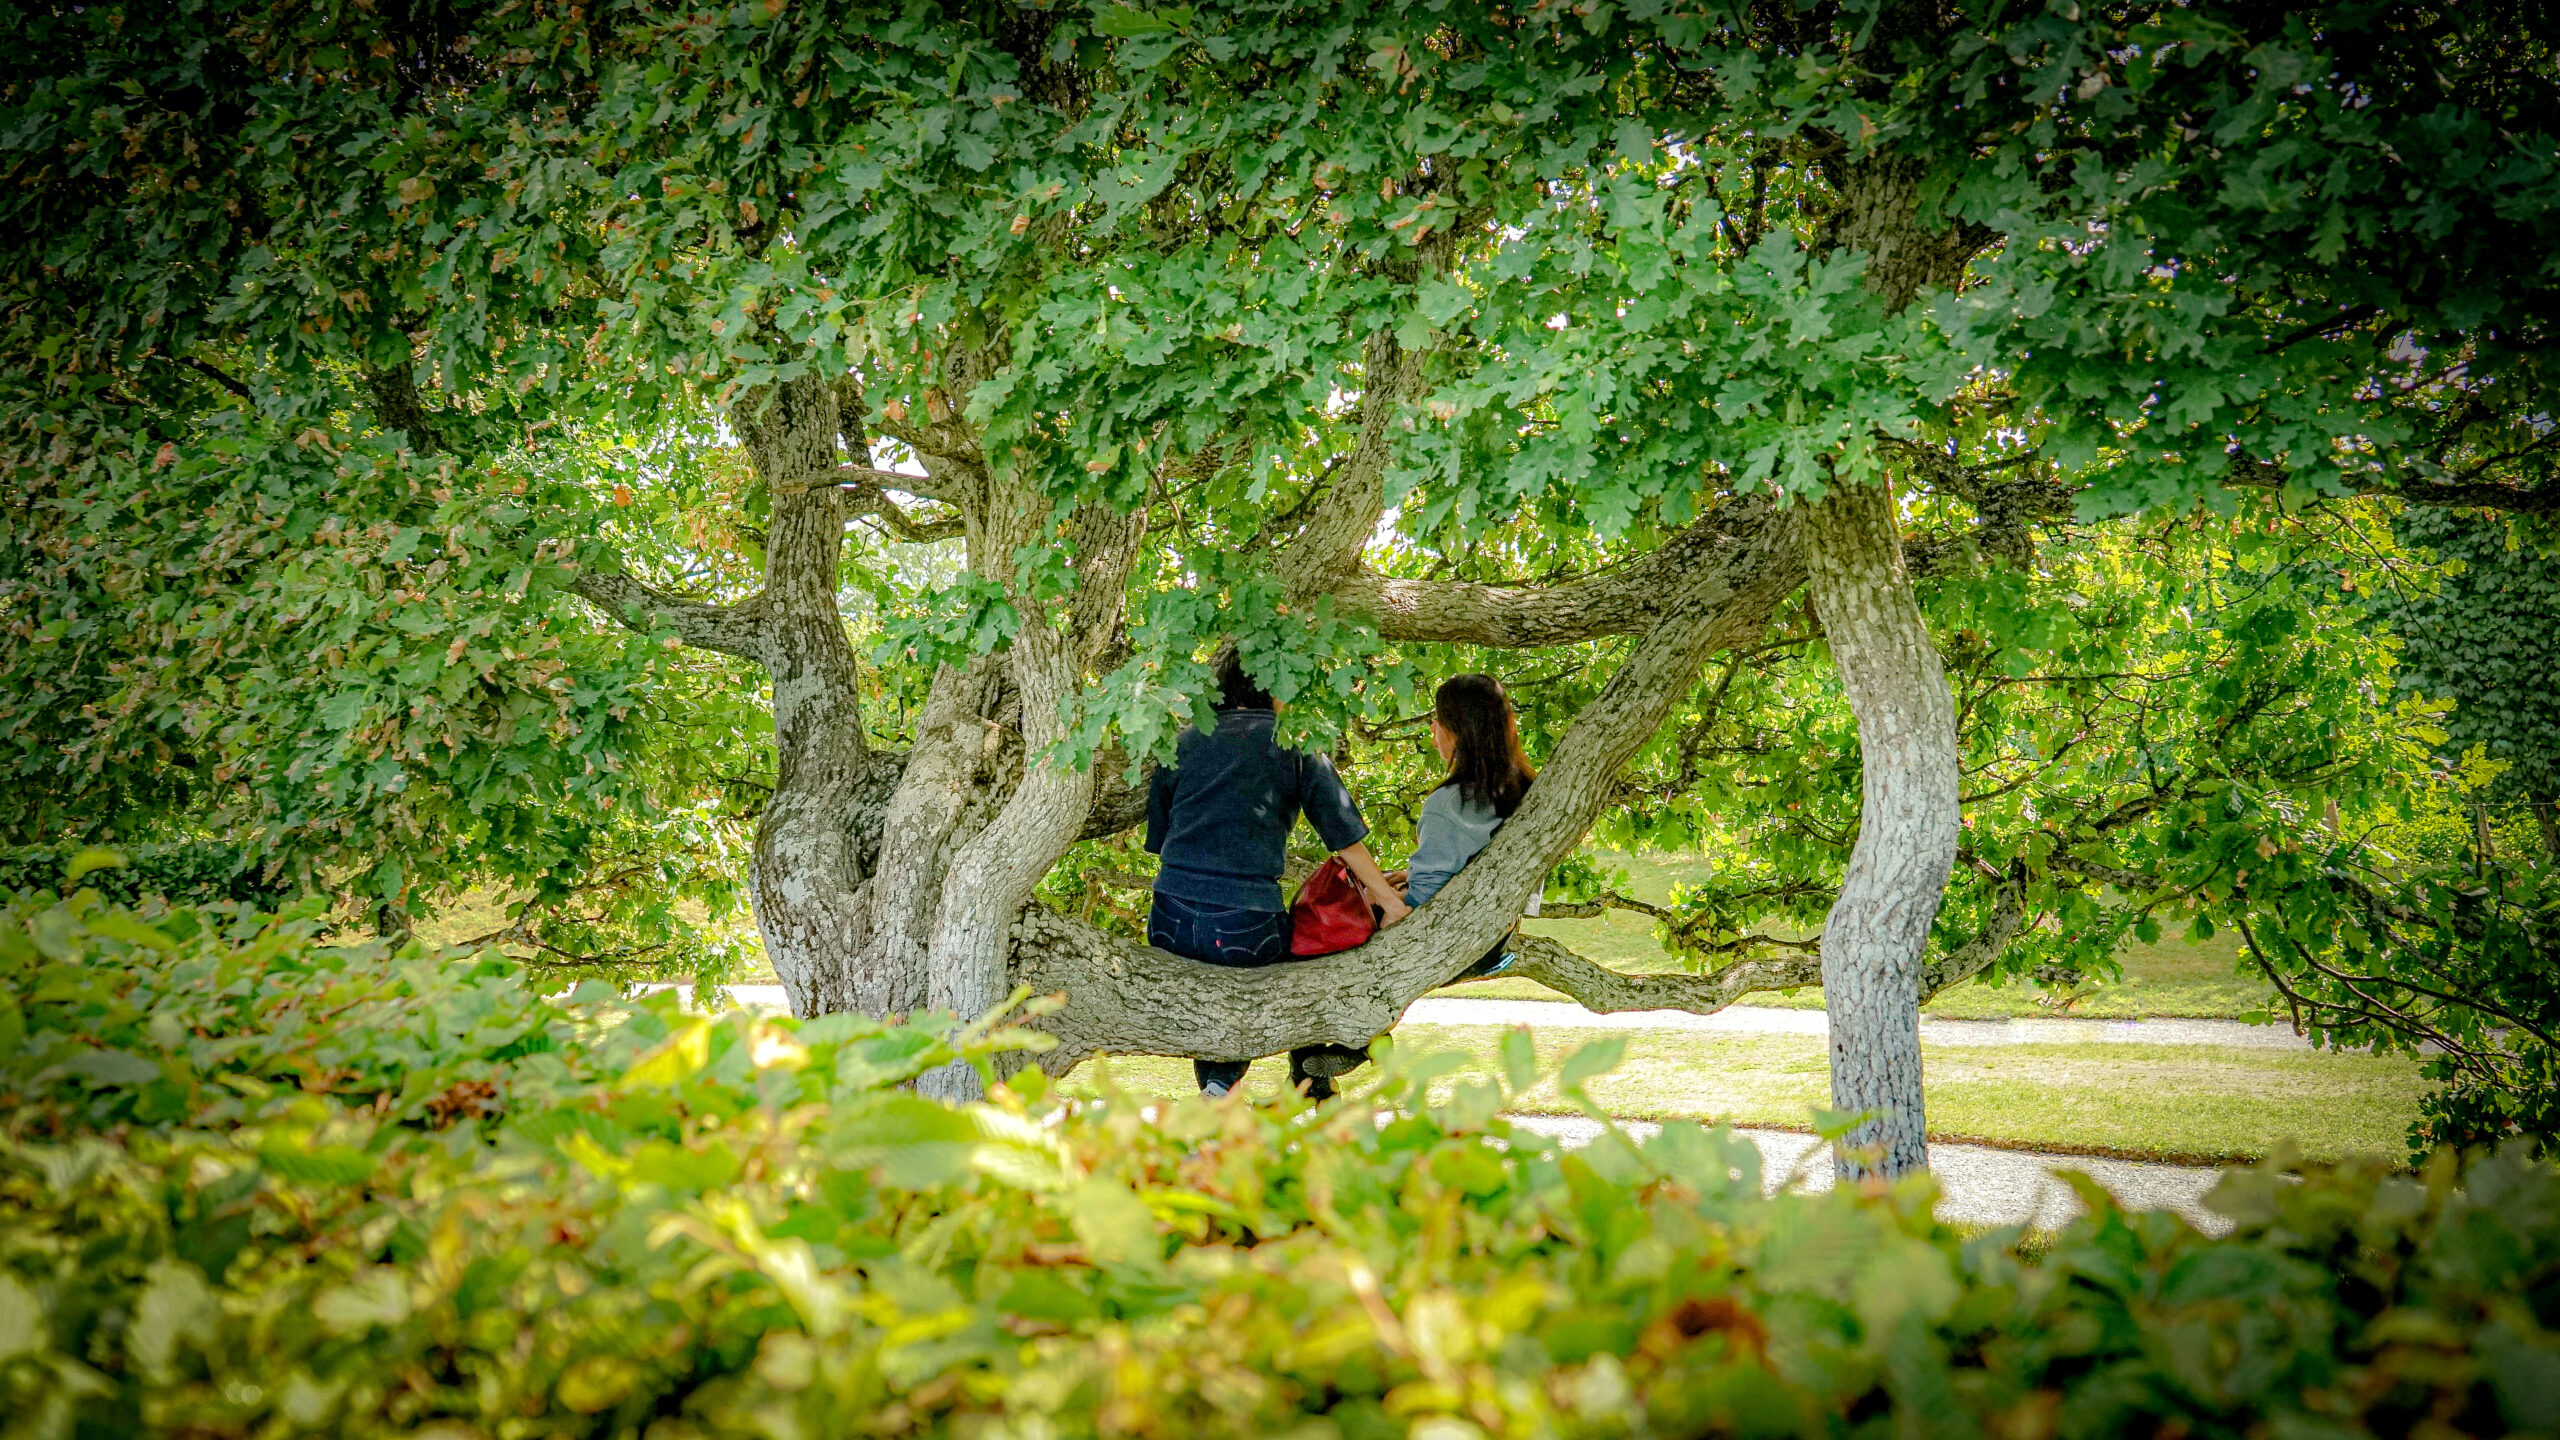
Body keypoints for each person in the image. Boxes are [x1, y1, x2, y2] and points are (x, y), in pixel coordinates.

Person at [1146, 650, 1409, 1100]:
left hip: (1168, 917)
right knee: (1309, 950)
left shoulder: (1182, 740)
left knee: (1217, 983)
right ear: (1274, 687)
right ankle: (1303, 1071)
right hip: (1243, 921)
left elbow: (1159, 838)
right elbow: (1344, 837)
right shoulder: (1295, 742)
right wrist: (1386, 898)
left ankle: (1236, 1086)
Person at [1402, 672, 1538, 978]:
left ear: (1458, 732)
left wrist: (1382, 897)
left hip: (1441, 946)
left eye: (1438, 720)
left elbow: (1422, 902)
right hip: (1495, 943)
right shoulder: (1526, 789)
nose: (1433, 729)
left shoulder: (1448, 803)